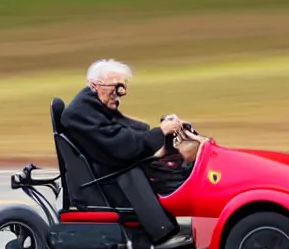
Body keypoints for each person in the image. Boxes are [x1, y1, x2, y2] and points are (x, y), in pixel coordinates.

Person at [60, 59, 199, 200]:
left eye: (121, 89)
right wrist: (161, 131)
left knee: (182, 170)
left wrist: (161, 138)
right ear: (94, 85)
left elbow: (130, 128)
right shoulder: (81, 112)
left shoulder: (92, 106)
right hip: (107, 184)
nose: (119, 95)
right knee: (183, 180)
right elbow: (122, 147)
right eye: (115, 88)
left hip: (112, 175)